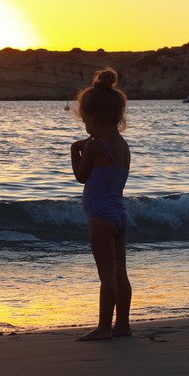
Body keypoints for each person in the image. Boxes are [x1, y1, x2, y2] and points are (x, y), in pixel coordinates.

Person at [70, 67, 132, 341]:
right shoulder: (122, 145)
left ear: (93, 118)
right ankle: (123, 325)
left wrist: (75, 150)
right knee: (120, 272)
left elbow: (81, 177)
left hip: (100, 216)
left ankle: (104, 326)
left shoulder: (95, 145)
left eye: (84, 120)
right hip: (118, 214)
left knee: (106, 273)